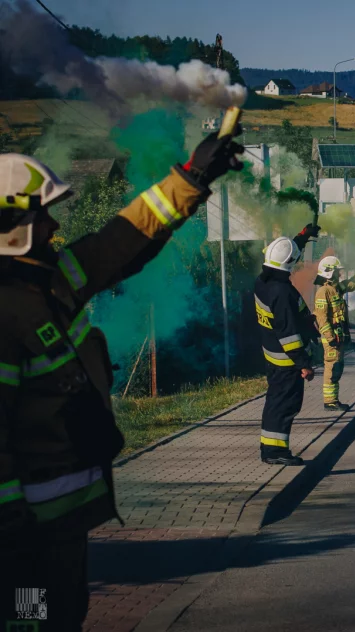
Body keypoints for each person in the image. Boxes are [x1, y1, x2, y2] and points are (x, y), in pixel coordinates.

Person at [0, 128, 244, 630]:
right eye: (41, 214)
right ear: (11, 223)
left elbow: (123, 241)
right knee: (30, 621)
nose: (53, 225)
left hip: (57, 524)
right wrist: (10, 526)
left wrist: (191, 178)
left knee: (64, 616)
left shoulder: (46, 282)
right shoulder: (6, 309)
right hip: (23, 537)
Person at [255, 225, 320, 466]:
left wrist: (301, 239)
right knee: (284, 405)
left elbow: (284, 255)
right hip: (286, 360)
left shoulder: (263, 281)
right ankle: (274, 452)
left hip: (274, 355)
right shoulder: (281, 292)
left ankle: (270, 448)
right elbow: (288, 333)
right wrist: (303, 363)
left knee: (276, 402)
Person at [312, 257, 355, 410]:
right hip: (331, 339)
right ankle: (329, 402)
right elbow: (321, 318)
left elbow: (353, 283)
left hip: (338, 336)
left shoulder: (335, 288)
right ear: (329, 272)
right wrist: (330, 338)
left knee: (338, 367)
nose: (339, 274)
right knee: (332, 367)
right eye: (337, 271)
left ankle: (334, 400)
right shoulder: (323, 292)